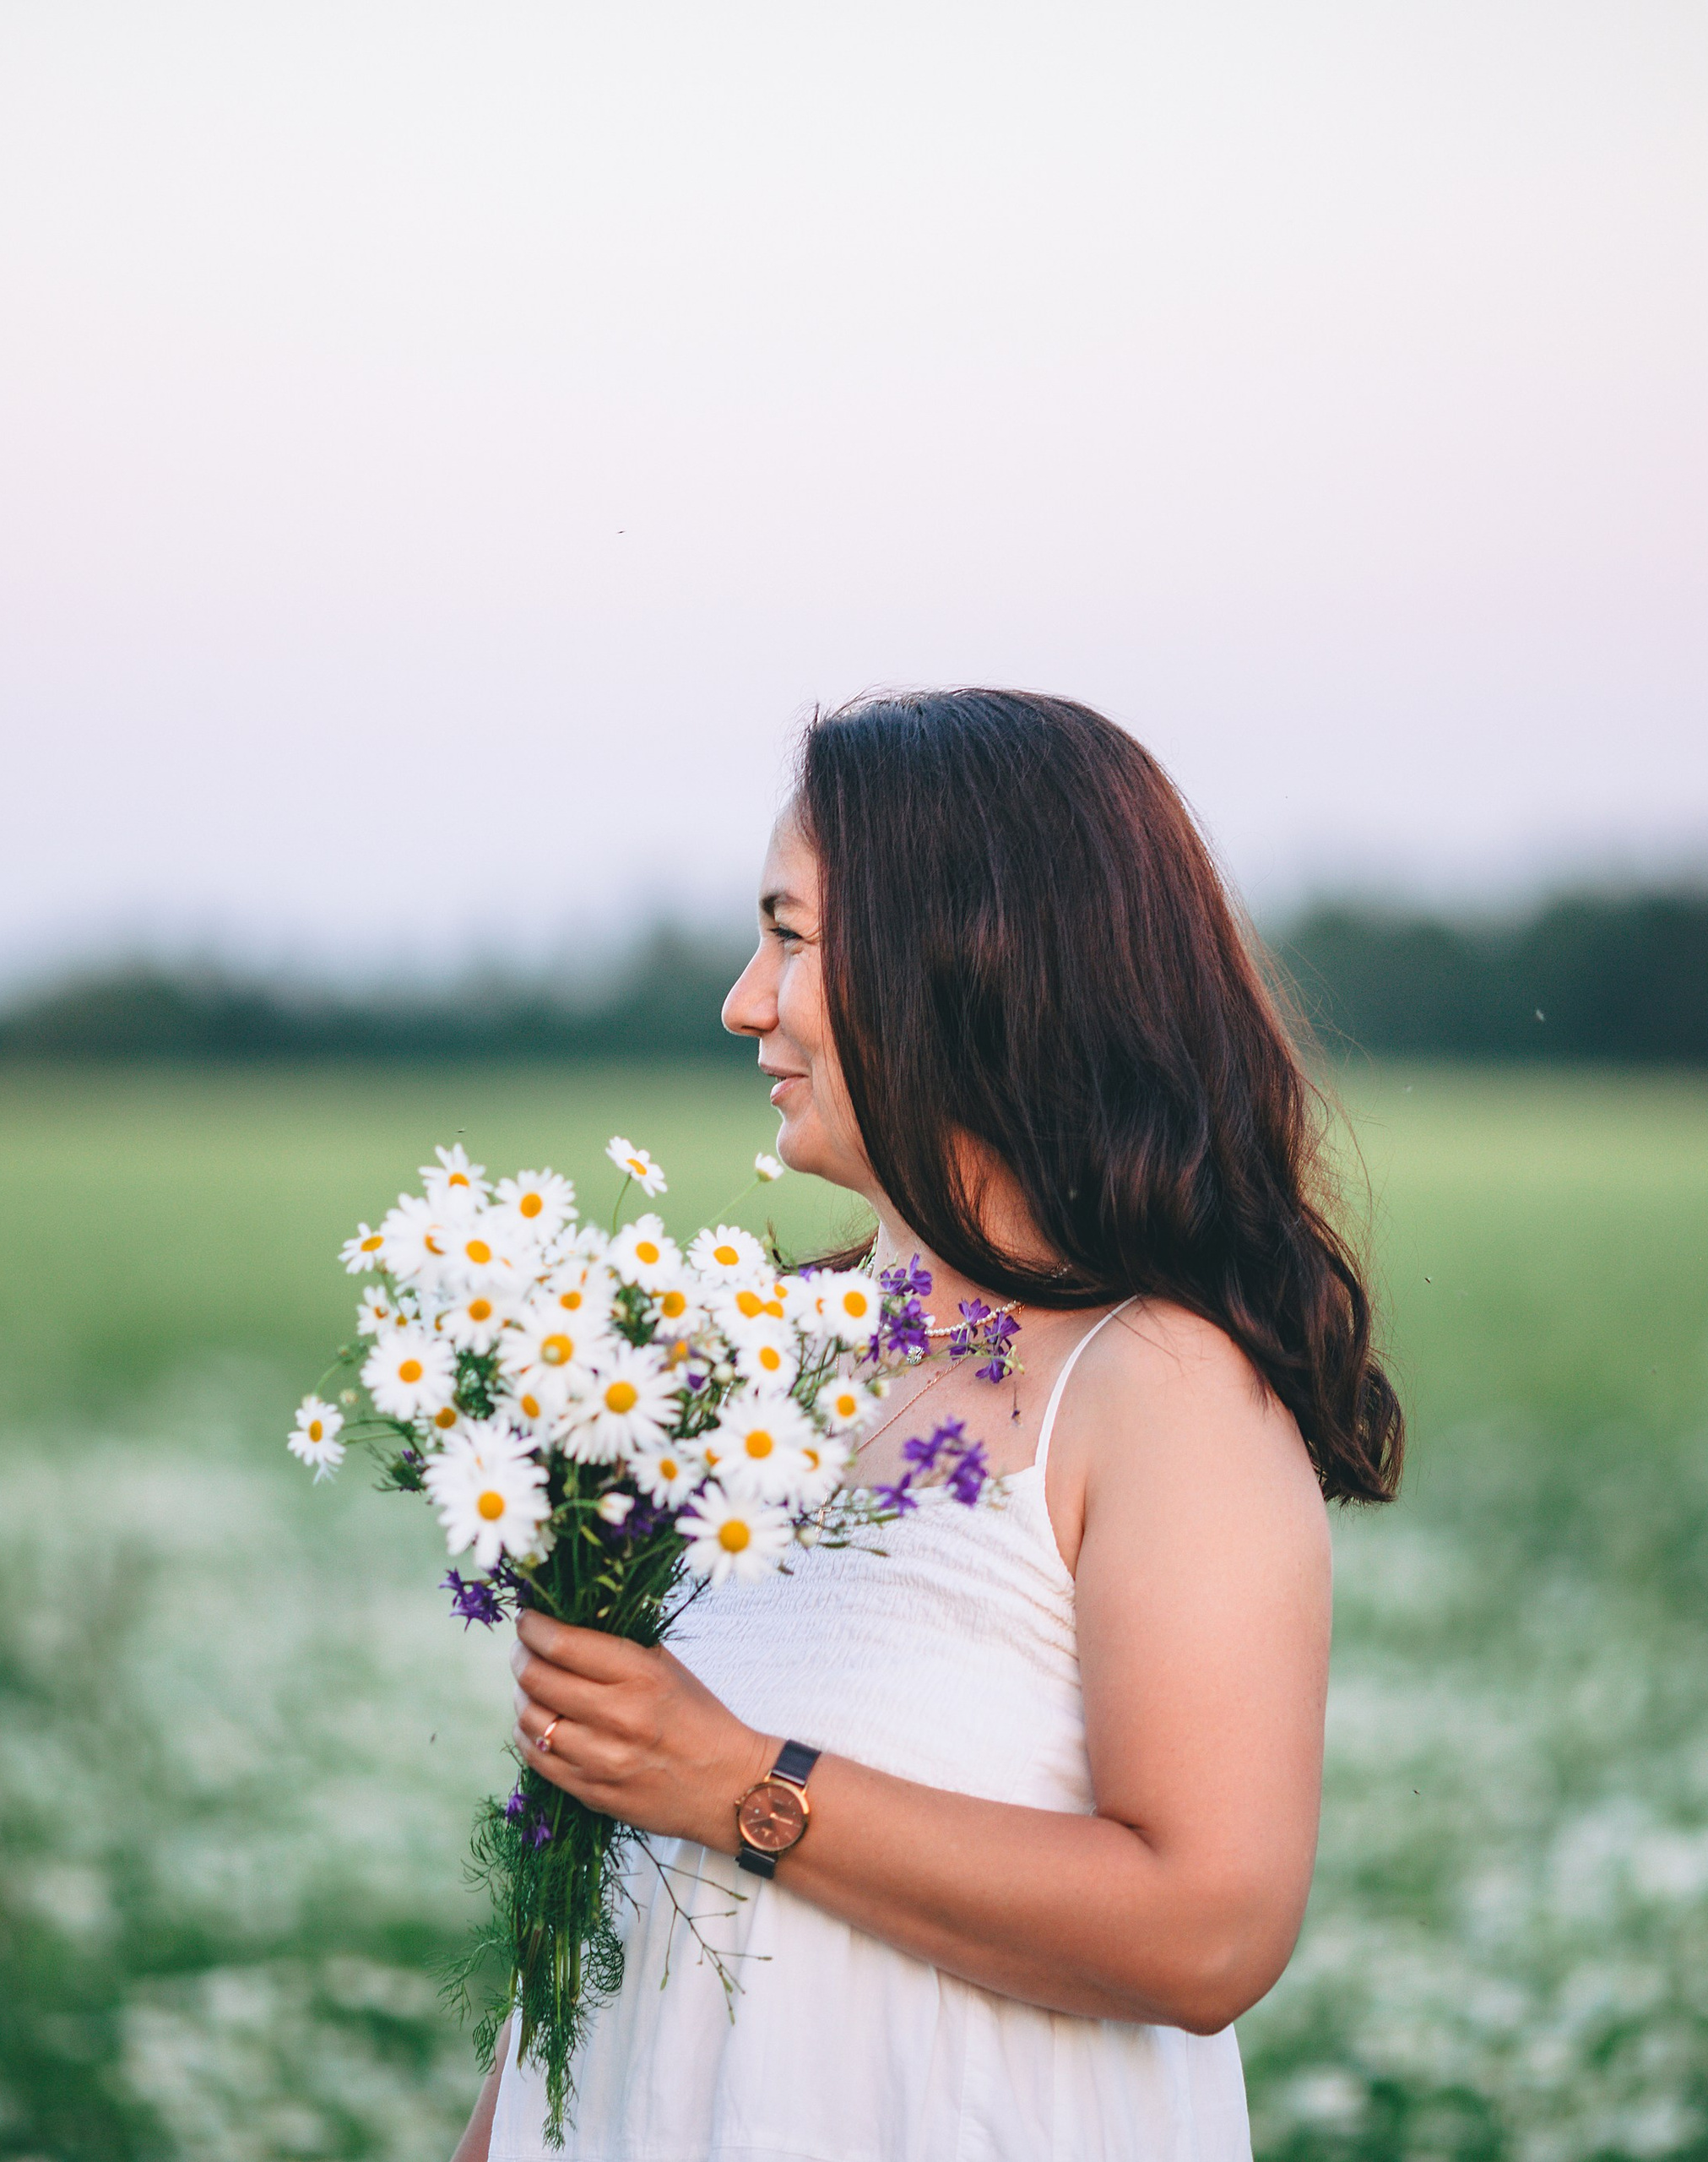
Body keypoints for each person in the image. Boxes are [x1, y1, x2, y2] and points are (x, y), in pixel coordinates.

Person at [457, 689, 1403, 2161]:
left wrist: (743, 1785)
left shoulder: (1156, 1388)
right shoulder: (728, 1360)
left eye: (791, 936)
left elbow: (1210, 1933)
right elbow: (599, 1917)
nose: (743, 1001)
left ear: (970, 961)